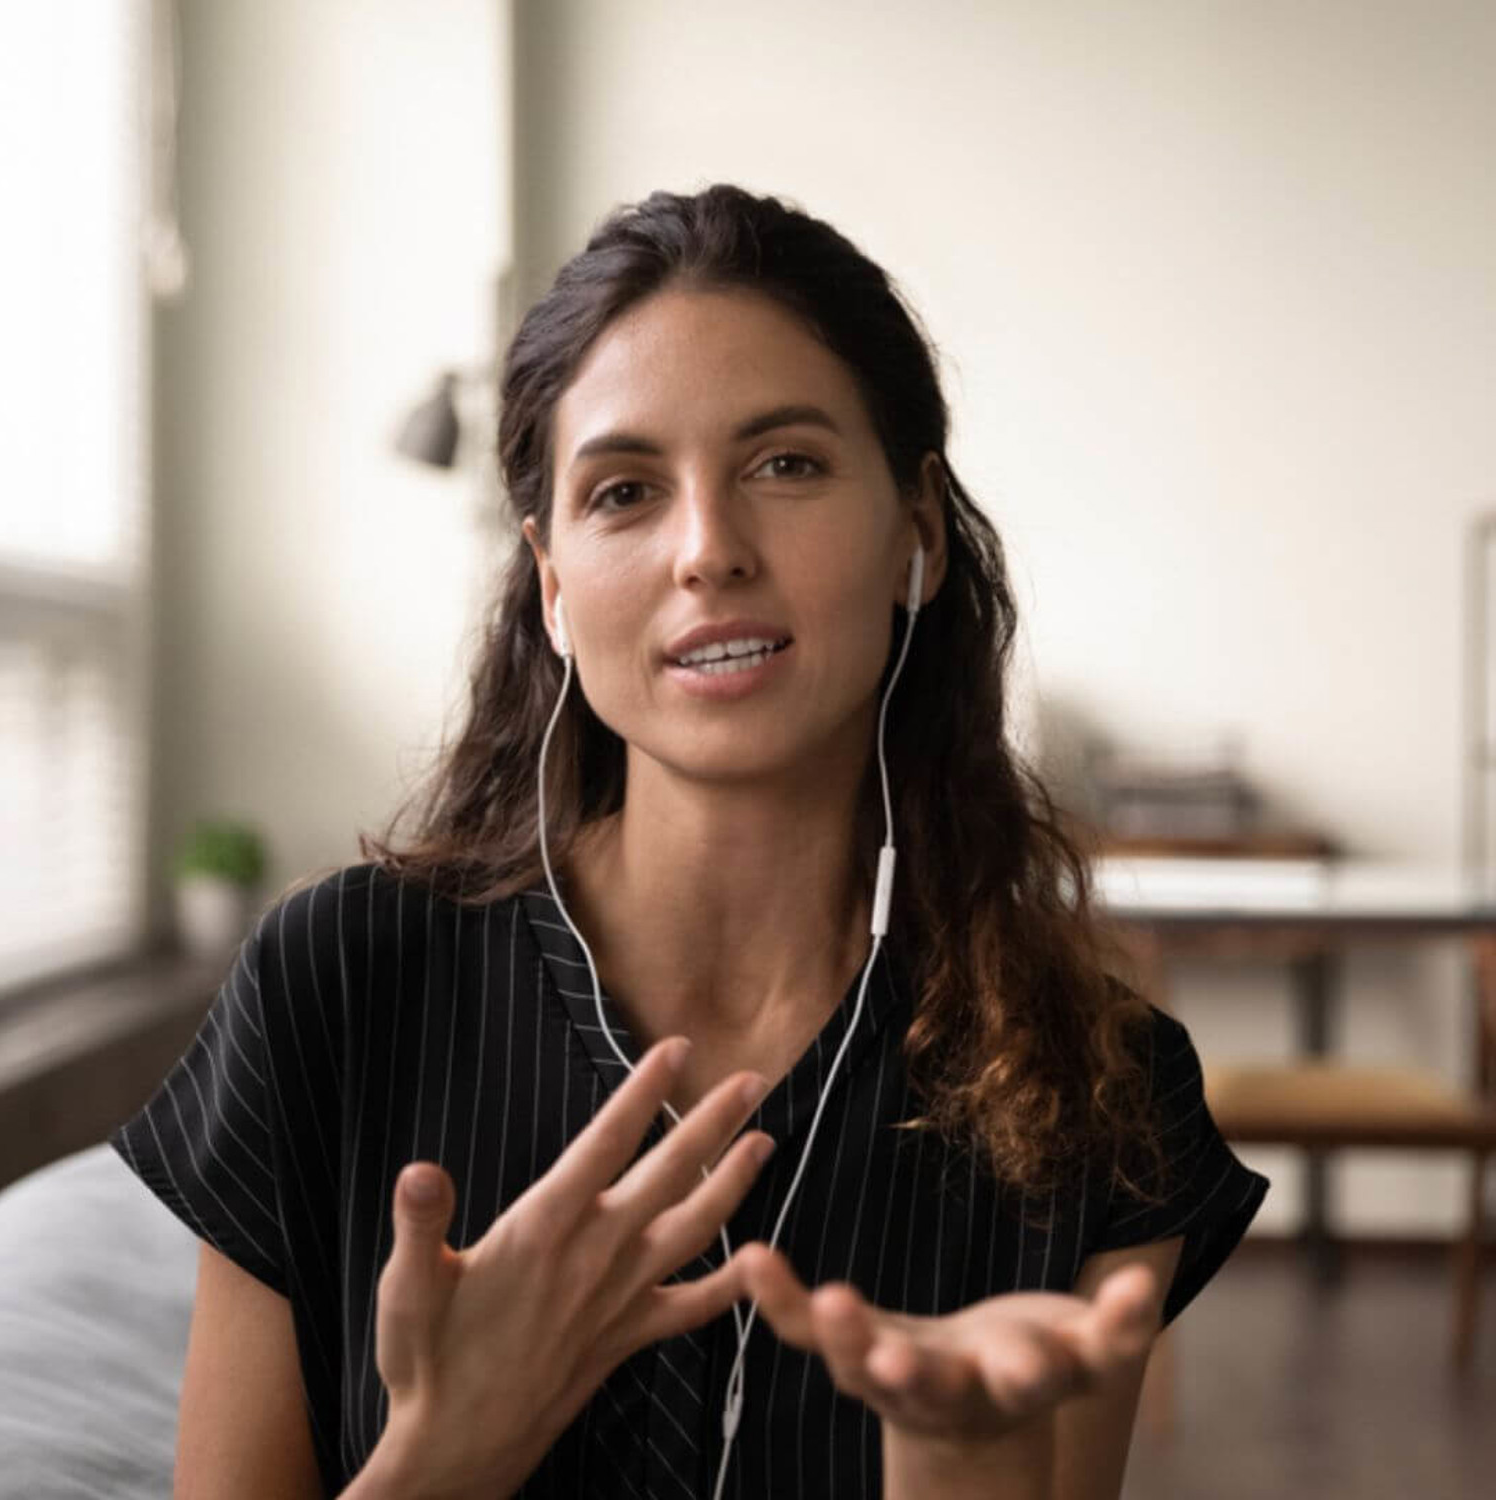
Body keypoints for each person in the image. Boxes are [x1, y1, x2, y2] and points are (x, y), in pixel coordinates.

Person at [111, 183, 1268, 1500]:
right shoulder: (335, 988)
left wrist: (963, 1456)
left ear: (920, 535)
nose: (708, 550)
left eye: (786, 464)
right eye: (624, 492)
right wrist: (448, 1451)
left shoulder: (1098, 1088)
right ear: (551, 587)